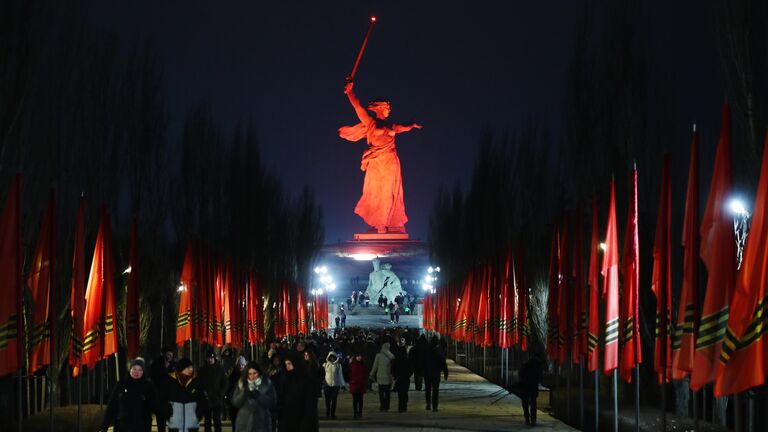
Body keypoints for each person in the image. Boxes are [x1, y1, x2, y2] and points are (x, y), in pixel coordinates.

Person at [338, 81, 422, 234]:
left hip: (390, 161)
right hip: (376, 161)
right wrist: (350, 92)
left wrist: (412, 125)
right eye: (387, 107)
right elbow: (358, 107)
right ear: (381, 108)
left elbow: (404, 127)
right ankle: (377, 223)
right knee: (375, 192)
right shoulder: (370, 122)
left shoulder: (392, 126)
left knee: (388, 192)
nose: (389, 110)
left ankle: (388, 223)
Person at [100, 357, 158, 432]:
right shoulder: (121, 384)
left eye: (140, 370)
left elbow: (155, 405)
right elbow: (112, 406)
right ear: (129, 369)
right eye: (134, 369)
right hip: (122, 427)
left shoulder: (148, 387)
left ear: (143, 372)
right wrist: (104, 426)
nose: (136, 372)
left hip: (141, 427)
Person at [231, 362, 277, 432]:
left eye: (254, 373)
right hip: (244, 421)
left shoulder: (267, 384)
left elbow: (272, 402)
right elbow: (235, 402)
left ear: (259, 372)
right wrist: (243, 394)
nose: (252, 376)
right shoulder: (241, 384)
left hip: (262, 422)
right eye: (250, 374)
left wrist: (258, 396)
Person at [166, 357, 206, 432]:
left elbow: (202, 401)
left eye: (191, 367)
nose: (191, 369)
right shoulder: (171, 381)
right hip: (175, 426)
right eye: (188, 367)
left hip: (192, 426)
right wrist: (169, 415)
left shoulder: (196, 381)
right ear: (182, 369)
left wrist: (197, 416)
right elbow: (164, 400)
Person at [280, 355, 319, 432]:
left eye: (289, 364)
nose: (287, 367)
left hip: (303, 419)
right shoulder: (285, 379)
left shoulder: (306, 380)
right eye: (286, 364)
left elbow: (310, 403)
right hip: (289, 420)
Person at [198, 350, 228, 432]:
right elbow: (199, 383)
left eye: (211, 358)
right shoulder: (202, 370)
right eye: (208, 358)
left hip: (217, 399)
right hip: (206, 399)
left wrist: (221, 394)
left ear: (214, 358)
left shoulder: (220, 369)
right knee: (207, 421)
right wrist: (202, 394)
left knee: (217, 421)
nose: (210, 360)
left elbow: (225, 383)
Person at [150, 347, 177, 432]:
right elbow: (155, 379)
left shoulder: (174, 365)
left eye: (171, 355)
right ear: (164, 354)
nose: (170, 356)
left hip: (172, 400)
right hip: (160, 400)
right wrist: (164, 369)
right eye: (168, 354)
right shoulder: (156, 365)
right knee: (161, 424)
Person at [423, 336, 448, 411]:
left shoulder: (426, 351)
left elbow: (422, 362)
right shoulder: (438, 352)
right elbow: (443, 363)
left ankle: (428, 403)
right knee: (435, 390)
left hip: (427, 373)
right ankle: (434, 405)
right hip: (436, 373)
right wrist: (445, 372)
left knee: (427, 389)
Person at [369, 342, 394, 412]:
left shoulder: (378, 356)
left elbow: (375, 366)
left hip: (380, 377)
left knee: (381, 393)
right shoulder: (391, 356)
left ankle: (382, 406)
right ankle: (387, 406)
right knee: (387, 393)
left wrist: (371, 374)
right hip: (388, 377)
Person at [519, 355, 543, 425]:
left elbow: (520, 375)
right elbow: (540, 377)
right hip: (533, 387)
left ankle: (527, 418)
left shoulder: (525, 365)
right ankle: (533, 419)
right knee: (533, 403)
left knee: (525, 403)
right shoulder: (538, 367)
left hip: (525, 387)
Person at [322, 352, 346, 419]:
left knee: (334, 400)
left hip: (335, 386)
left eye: (333, 357)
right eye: (331, 357)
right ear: (329, 358)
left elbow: (340, 375)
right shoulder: (325, 365)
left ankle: (332, 414)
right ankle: (327, 413)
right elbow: (322, 375)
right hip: (327, 386)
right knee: (327, 401)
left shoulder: (338, 365)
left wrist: (343, 385)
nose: (332, 359)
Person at [227, 355, 248, 427]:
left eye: (242, 365)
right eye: (239, 365)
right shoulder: (232, 375)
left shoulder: (247, 375)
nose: (241, 366)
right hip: (235, 402)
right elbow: (229, 388)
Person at [391, 344, 412, 413]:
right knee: (405, 393)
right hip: (405, 378)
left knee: (400, 394)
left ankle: (400, 407)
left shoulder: (396, 360)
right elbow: (410, 370)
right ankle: (404, 406)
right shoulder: (407, 359)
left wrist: (395, 376)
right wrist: (408, 375)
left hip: (399, 378)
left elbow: (392, 369)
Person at [348, 353, 368, 419]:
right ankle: (355, 413)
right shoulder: (352, 365)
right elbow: (349, 373)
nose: (359, 357)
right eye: (358, 356)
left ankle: (360, 412)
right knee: (355, 400)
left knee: (360, 400)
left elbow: (366, 374)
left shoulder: (363, 365)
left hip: (361, 384)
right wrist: (351, 380)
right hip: (354, 384)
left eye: (360, 356)